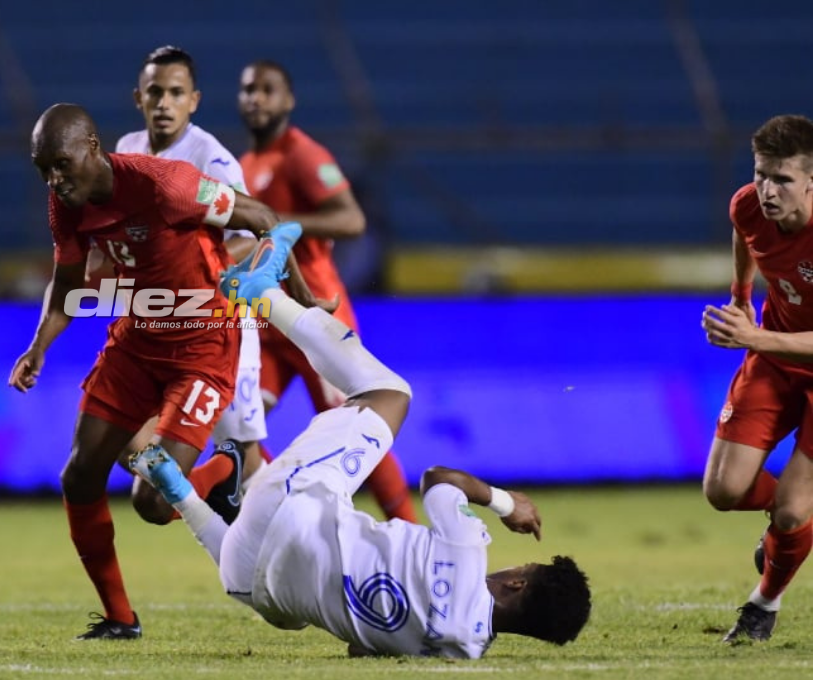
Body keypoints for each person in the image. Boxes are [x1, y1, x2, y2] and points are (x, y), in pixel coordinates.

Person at [129, 226, 592, 657]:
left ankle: (261, 294)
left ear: (517, 586)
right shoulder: (456, 649)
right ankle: (179, 492)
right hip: (248, 579)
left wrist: (507, 504)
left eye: (519, 572)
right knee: (280, 601)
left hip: (290, 503)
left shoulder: (468, 547)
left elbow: (440, 481)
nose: (509, 570)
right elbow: (360, 648)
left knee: (391, 395)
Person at [8, 103, 296, 640]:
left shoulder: (169, 186)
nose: (54, 178)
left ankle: (225, 473)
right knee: (80, 475)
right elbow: (69, 286)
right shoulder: (63, 203)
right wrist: (38, 347)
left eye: (62, 164)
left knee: (153, 501)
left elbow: (262, 218)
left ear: (93, 147)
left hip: (203, 347)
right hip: (136, 344)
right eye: (43, 167)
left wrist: (297, 297)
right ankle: (120, 617)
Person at [237, 59, 417, 523]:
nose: (255, 97)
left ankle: (417, 539)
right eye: (248, 89)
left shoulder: (303, 154)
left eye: (267, 89)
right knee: (239, 428)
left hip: (313, 318)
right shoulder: (246, 164)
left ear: (288, 100)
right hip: (268, 323)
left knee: (360, 431)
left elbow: (352, 219)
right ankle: (285, 520)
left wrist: (283, 227)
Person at [114, 45, 267, 484]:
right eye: (155, 92)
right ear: (138, 98)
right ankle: (205, 501)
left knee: (243, 455)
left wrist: (192, 270)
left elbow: (253, 237)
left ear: (193, 100)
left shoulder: (211, 161)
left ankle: (277, 532)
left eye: (176, 93)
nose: (165, 103)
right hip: (159, 326)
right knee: (127, 435)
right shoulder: (128, 150)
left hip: (220, 329)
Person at [701, 113, 813, 644]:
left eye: (783, 179)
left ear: (811, 181)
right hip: (773, 361)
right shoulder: (749, 204)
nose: (767, 190)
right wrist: (741, 297)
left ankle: (762, 606)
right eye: (762, 173)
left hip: (780, 351)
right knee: (722, 490)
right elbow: (744, 233)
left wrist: (753, 338)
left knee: (792, 513)